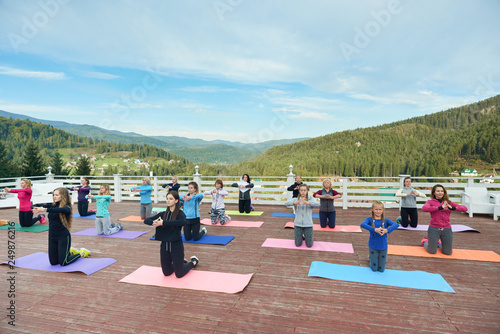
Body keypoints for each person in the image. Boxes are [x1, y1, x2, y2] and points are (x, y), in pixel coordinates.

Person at [144, 191, 199, 278]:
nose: (168, 201)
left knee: (179, 274)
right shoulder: (163, 214)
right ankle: (179, 262)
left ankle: (193, 262)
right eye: (167, 199)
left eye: (170, 199)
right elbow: (146, 220)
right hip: (164, 247)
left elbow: (182, 222)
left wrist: (163, 223)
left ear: (176, 201)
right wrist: (153, 222)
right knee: (167, 273)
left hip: (176, 246)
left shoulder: (180, 214)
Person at [32, 188, 90, 266]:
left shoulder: (67, 207)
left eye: (57, 195)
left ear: (63, 196)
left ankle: (82, 253)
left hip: (63, 237)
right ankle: (70, 252)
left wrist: (45, 209)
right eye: (53, 195)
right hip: (52, 236)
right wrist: (35, 206)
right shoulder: (52, 205)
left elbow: (60, 209)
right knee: (53, 262)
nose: (54, 197)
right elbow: (38, 205)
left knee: (64, 262)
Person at [421, 184, 467, 255]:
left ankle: (439, 243)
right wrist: (439, 208)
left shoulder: (449, 202)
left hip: (446, 229)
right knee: (432, 251)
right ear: (434, 193)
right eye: (438, 191)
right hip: (434, 229)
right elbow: (424, 208)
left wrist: (453, 208)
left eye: (442, 191)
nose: (440, 193)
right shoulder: (430, 202)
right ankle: (425, 242)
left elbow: (464, 209)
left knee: (448, 253)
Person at [360, 201, 399, 272]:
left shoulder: (386, 220)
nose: (378, 211)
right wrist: (374, 229)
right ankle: (371, 257)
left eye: (380, 209)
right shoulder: (369, 219)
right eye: (376, 209)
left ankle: (373, 257)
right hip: (373, 246)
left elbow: (396, 225)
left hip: (383, 246)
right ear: (372, 209)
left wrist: (386, 230)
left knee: (381, 270)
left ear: (383, 210)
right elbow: (362, 224)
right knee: (374, 269)